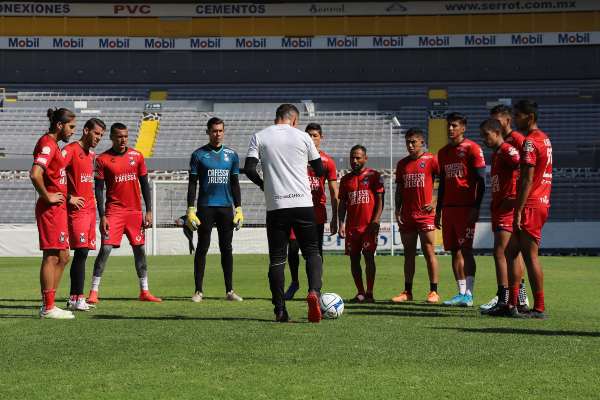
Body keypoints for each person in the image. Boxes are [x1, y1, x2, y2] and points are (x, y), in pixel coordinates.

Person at [244, 104, 324, 323]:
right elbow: (320, 169)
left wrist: (264, 184)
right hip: (303, 203)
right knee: (311, 252)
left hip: (276, 205)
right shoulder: (303, 137)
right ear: (295, 120)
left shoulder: (260, 136)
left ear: (276, 118)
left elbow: (250, 168)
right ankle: (314, 292)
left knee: (277, 259)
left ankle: (280, 309)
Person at [88, 123, 161, 303]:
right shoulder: (102, 159)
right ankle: (93, 291)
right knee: (105, 249)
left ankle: (144, 291)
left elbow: (144, 185)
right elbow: (98, 190)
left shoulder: (137, 156)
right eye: (119, 136)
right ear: (112, 137)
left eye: (126, 136)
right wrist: (103, 215)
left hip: (135, 212)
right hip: (114, 211)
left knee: (140, 250)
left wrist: (149, 211)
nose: (123, 140)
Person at [185, 117, 244, 302]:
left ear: (223, 132)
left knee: (227, 248)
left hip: (226, 208)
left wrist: (239, 208)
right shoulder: (198, 155)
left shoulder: (232, 155)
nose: (217, 134)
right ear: (208, 132)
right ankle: (198, 291)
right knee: (202, 247)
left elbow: (235, 184)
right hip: (205, 207)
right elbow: (192, 184)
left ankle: (230, 291)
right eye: (214, 131)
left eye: (220, 131)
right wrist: (190, 209)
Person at [504, 100, 552, 319]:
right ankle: (512, 304)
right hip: (540, 201)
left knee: (530, 256)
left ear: (530, 117)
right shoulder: (545, 138)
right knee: (510, 252)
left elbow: (526, 179)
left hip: (530, 204)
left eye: (518, 115)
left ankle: (539, 307)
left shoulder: (530, 142)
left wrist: (519, 210)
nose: (515, 119)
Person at [481, 104, 529, 311]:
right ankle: (517, 297)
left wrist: (516, 198)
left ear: (506, 122)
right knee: (511, 253)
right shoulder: (500, 149)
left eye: (497, 121)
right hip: (500, 205)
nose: (484, 138)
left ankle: (506, 297)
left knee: (503, 253)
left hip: (508, 207)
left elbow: (526, 171)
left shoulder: (514, 144)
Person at [30, 108, 77, 319]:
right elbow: (35, 174)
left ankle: (49, 304)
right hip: (50, 209)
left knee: (64, 256)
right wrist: (47, 196)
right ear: (60, 125)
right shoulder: (47, 144)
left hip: (59, 208)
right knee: (51, 255)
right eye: (71, 126)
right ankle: (48, 307)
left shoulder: (54, 145)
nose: (73, 131)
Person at [435, 112, 486, 307]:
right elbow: (444, 186)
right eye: (448, 125)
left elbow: (481, 181)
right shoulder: (443, 152)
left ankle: (470, 294)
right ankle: (461, 292)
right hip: (448, 209)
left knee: (466, 250)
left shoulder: (473, 148)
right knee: (454, 251)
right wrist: (438, 210)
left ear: (463, 128)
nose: (450, 129)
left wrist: (476, 207)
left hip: (466, 208)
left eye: (454, 125)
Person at [284, 123, 338, 300]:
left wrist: (335, 218)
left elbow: (333, 191)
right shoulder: (295, 157)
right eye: (309, 135)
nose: (312, 138)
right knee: (292, 248)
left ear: (321, 137)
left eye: (315, 135)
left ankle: (314, 287)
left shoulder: (327, 161)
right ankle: (294, 282)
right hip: (296, 207)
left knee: (315, 252)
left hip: (317, 212)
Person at [391, 128, 440, 304]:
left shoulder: (431, 160)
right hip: (407, 215)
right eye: (407, 142)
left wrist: (434, 202)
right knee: (408, 254)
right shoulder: (402, 164)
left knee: (428, 251)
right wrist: (398, 209)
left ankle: (433, 291)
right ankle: (407, 291)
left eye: (413, 142)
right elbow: (399, 189)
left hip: (425, 215)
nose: (410, 145)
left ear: (421, 142)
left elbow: (443, 183)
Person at [63, 118, 105, 311]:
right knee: (80, 252)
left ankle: (77, 297)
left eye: (101, 135)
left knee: (85, 252)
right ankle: (75, 298)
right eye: (96, 133)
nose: (98, 138)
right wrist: (69, 196)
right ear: (86, 130)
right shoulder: (70, 150)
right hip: (77, 211)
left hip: (90, 210)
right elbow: (52, 174)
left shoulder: (91, 155)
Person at [338, 145, 384, 304]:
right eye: (352, 157)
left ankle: (370, 292)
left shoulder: (374, 175)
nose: (354, 160)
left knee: (369, 257)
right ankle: (360, 292)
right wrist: (341, 223)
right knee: (354, 259)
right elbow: (342, 204)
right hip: (352, 227)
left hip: (368, 225)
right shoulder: (345, 180)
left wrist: (376, 220)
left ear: (365, 158)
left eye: (358, 157)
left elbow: (379, 200)